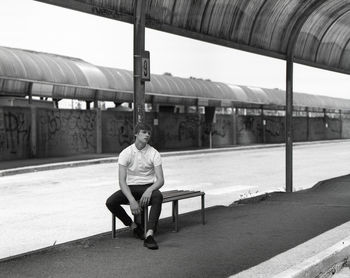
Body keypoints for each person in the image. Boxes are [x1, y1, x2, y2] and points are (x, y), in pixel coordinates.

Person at [106, 122, 164, 250]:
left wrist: (149, 190)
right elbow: (122, 181)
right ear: (136, 134)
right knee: (110, 202)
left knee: (158, 196)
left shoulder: (154, 153)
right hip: (130, 187)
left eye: (149, 133)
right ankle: (134, 227)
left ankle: (149, 235)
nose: (147, 135)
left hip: (148, 186)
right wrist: (132, 200)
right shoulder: (126, 153)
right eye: (144, 132)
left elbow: (160, 180)